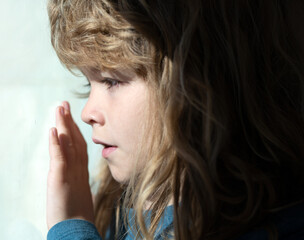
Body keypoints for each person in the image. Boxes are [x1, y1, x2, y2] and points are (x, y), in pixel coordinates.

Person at [46, 0, 304, 239]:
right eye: (87, 82)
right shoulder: (124, 208)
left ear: (190, 85)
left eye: (111, 81)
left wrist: (73, 227)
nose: (87, 112)